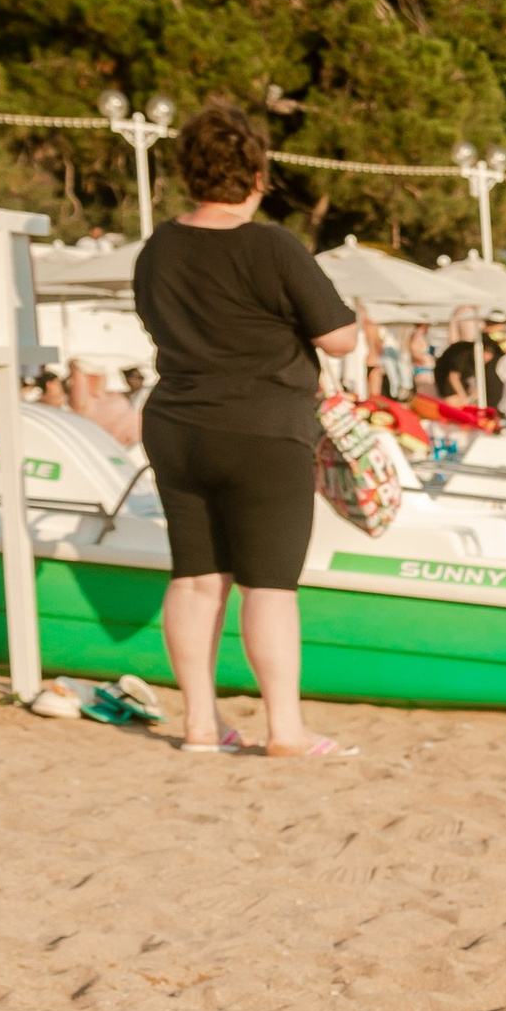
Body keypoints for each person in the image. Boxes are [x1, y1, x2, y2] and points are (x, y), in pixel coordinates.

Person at [130, 95, 359, 758]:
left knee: (197, 577)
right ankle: (283, 731)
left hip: (177, 425)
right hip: (262, 428)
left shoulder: (157, 249)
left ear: (189, 175)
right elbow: (339, 337)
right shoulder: (272, 245)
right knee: (269, 585)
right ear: (257, 176)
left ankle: (200, 726)